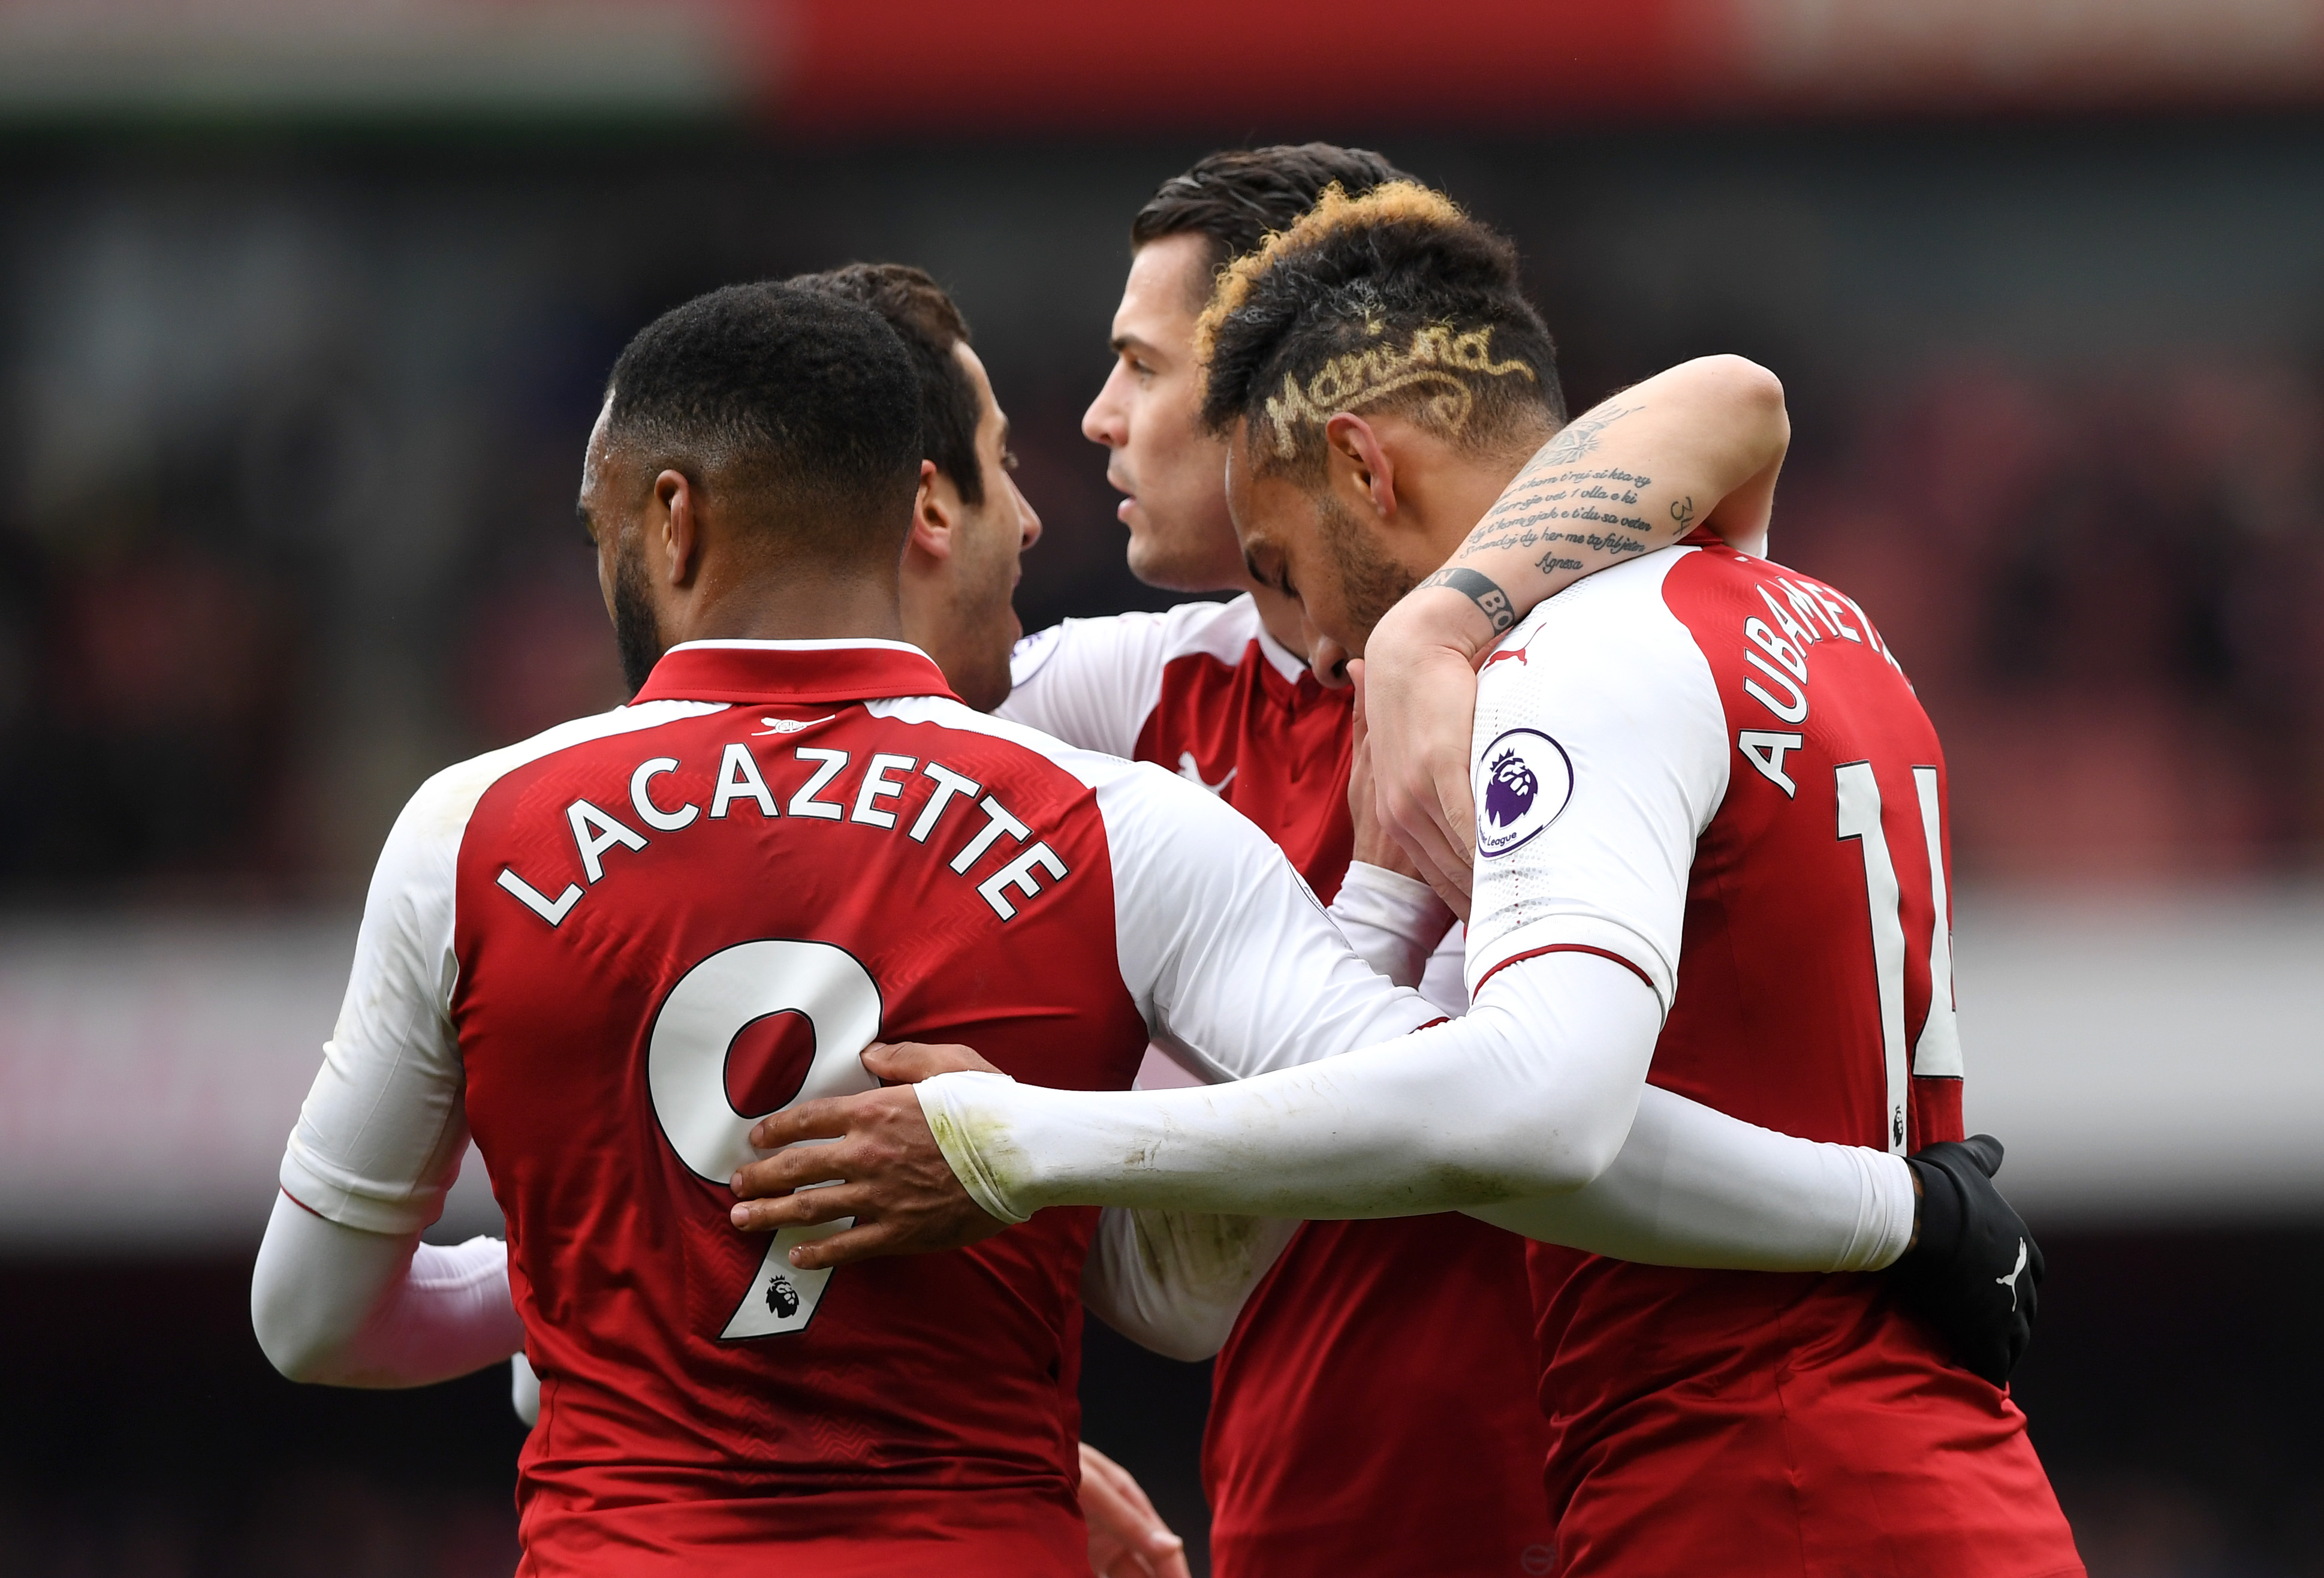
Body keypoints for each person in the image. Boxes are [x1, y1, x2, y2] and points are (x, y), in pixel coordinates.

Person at [251, 281, 2003, 1575]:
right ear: (916, 507)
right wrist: (1890, 1209)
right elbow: (1505, 1123)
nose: (1053, 495)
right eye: (1017, 451)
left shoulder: (468, 829)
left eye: (1129, 379)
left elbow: (314, 1319)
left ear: (669, 517)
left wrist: (589, 1265)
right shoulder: (1115, 820)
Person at [729, 185, 2083, 1576]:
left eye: (1146, 368)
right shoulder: (1804, 615)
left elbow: (1536, 1112)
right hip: (1863, 1455)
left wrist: (1016, 1140)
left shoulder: (1548, 668)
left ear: (1359, 462)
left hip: (1749, 1482)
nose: (1313, 635)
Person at [999, 144, 1543, 1575]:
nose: (1100, 420)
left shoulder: (1577, 673)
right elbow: (751, 809)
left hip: (1611, 1505)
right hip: (1298, 1516)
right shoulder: (1123, 695)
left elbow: (1730, 406)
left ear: (1283, 392)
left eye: (1143, 366)